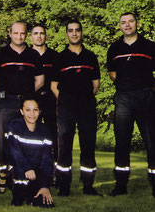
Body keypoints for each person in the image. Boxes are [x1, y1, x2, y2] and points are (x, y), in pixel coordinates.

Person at [0, 21, 44, 194]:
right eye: (16, 33)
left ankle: (21, 180)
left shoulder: (33, 55)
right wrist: (7, 93)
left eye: (22, 33)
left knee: (26, 142)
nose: (19, 36)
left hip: (27, 106)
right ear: (10, 34)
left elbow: (40, 80)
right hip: (6, 104)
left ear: (26, 34)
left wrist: (26, 98)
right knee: (2, 143)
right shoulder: (0, 54)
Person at [106, 12, 155, 197]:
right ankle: (120, 184)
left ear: (137, 23)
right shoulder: (114, 48)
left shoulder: (149, 46)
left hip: (146, 98)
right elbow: (112, 74)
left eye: (131, 22)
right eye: (123, 23)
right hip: (124, 99)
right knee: (122, 142)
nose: (127, 25)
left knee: (151, 142)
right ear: (120, 26)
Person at [51, 20, 101, 196]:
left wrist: (83, 98)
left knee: (88, 144)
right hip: (66, 105)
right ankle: (64, 187)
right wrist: (66, 100)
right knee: (64, 145)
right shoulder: (60, 57)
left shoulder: (91, 56)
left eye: (77, 30)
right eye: (70, 31)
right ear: (67, 34)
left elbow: (96, 84)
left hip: (86, 104)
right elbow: (53, 85)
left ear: (81, 33)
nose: (74, 34)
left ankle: (88, 186)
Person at [7, 97, 54, 207]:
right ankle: (21, 193)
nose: (32, 114)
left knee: (44, 203)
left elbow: (47, 160)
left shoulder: (45, 130)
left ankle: (35, 194)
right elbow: (15, 153)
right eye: (28, 110)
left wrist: (45, 186)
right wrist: (27, 168)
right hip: (19, 169)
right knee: (19, 199)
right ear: (21, 111)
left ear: (39, 111)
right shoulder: (13, 127)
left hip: (36, 172)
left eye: (35, 110)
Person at [29, 25, 59, 174]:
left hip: (51, 101)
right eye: (36, 33)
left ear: (46, 36)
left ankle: (53, 171)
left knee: (52, 136)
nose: (39, 36)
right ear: (31, 37)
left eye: (42, 33)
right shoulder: (25, 55)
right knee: (30, 135)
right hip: (31, 101)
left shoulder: (55, 56)